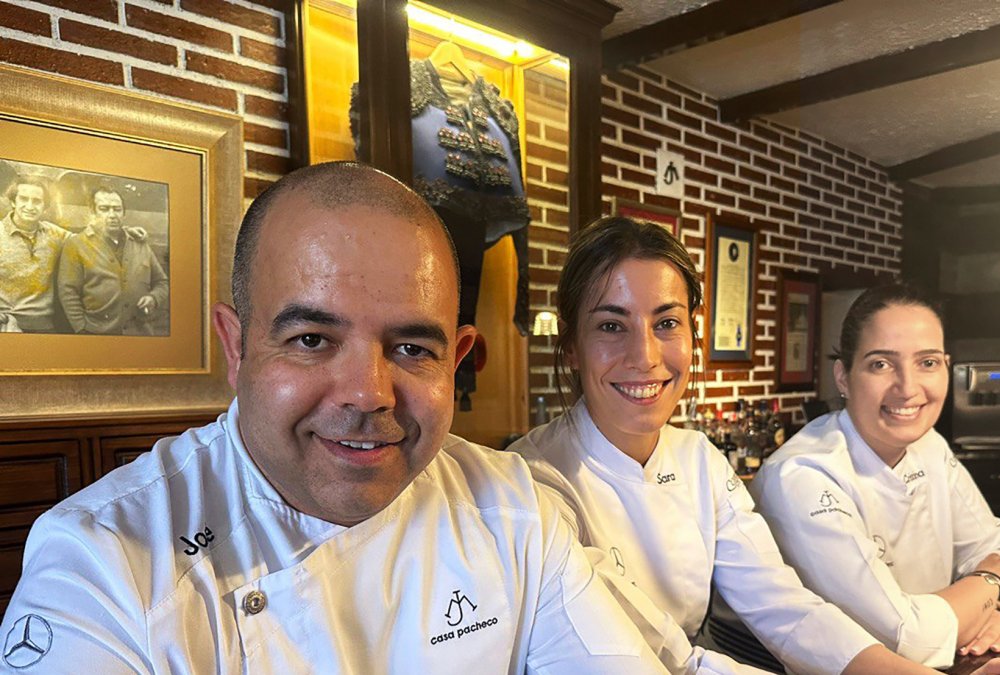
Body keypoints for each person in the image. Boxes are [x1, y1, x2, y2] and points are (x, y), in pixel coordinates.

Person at [0, 162, 667, 673]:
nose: (368, 393)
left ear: (456, 359)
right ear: (236, 347)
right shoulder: (99, 566)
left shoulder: (515, 507)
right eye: (312, 339)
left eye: (412, 348)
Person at [511, 218, 1000, 675]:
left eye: (667, 323)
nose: (645, 355)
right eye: (612, 325)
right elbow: (660, 657)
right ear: (571, 348)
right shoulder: (531, 480)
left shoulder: (697, 458)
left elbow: (785, 606)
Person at [751, 284, 1000, 669]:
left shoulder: (929, 445)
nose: (907, 388)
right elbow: (903, 640)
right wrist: (995, 585)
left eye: (928, 362)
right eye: (880, 364)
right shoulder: (802, 475)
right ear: (843, 376)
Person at [57, 186, 168, 335]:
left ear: (123, 213)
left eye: (117, 209)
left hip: (139, 332)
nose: (112, 215)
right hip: (97, 333)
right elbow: (68, 291)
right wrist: (81, 327)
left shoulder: (139, 242)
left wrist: (153, 298)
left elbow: (162, 282)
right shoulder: (76, 245)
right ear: (92, 212)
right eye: (104, 209)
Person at [0, 175, 70, 333]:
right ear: (13, 201)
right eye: (24, 199)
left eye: (37, 201)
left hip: (44, 327)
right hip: (5, 325)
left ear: (45, 206)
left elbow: (89, 241)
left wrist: (126, 233)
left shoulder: (54, 234)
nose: (30, 206)